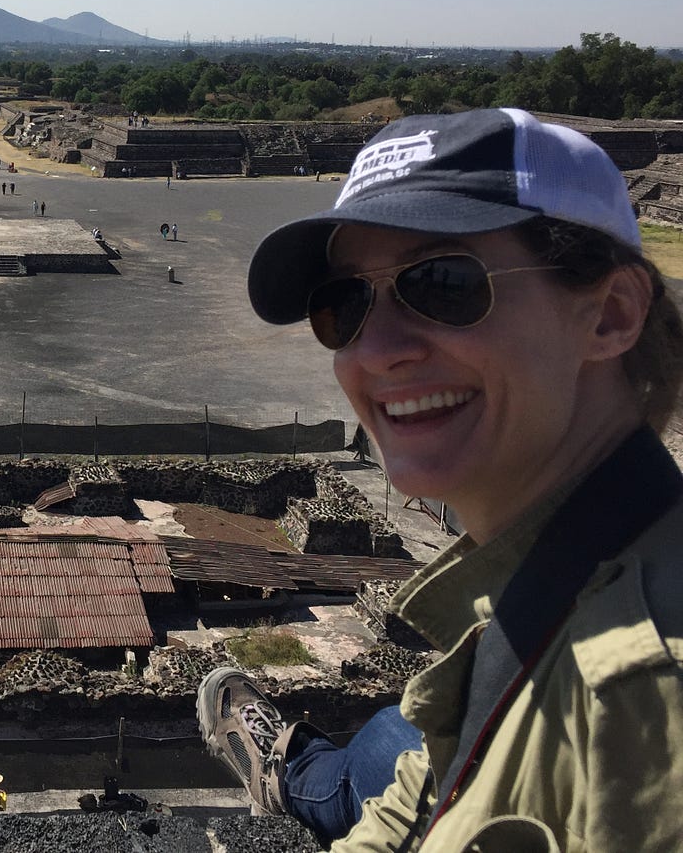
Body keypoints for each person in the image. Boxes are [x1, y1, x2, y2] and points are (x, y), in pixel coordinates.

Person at [200, 108, 683, 852]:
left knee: (376, 745)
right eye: (344, 304)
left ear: (610, 315)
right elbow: (424, 796)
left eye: (443, 282)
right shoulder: (550, 580)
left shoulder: (645, 707)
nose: (376, 351)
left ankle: (293, 772)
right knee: (394, 739)